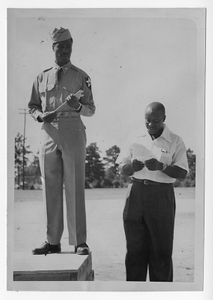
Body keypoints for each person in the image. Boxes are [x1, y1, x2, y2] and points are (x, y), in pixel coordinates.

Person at [28, 27, 95, 255]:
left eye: (68, 46)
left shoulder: (81, 76)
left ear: (72, 47)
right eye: (60, 46)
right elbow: (33, 106)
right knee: (50, 186)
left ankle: (79, 241)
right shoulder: (41, 77)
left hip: (73, 129)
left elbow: (90, 109)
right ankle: (52, 241)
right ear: (53, 48)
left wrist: (78, 106)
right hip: (48, 132)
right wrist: (39, 116)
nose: (65, 50)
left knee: (75, 185)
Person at [116, 102, 189, 281]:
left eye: (155, 121)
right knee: (134, 252)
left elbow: (182, 172)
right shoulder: (135, 137)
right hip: (135, 194)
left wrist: (162, 166)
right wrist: (130, 166)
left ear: (164, 119)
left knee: (161, 253)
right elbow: (120, 168)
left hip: (161, 195)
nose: (150, 125)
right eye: (147, 121)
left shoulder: (175, 140)